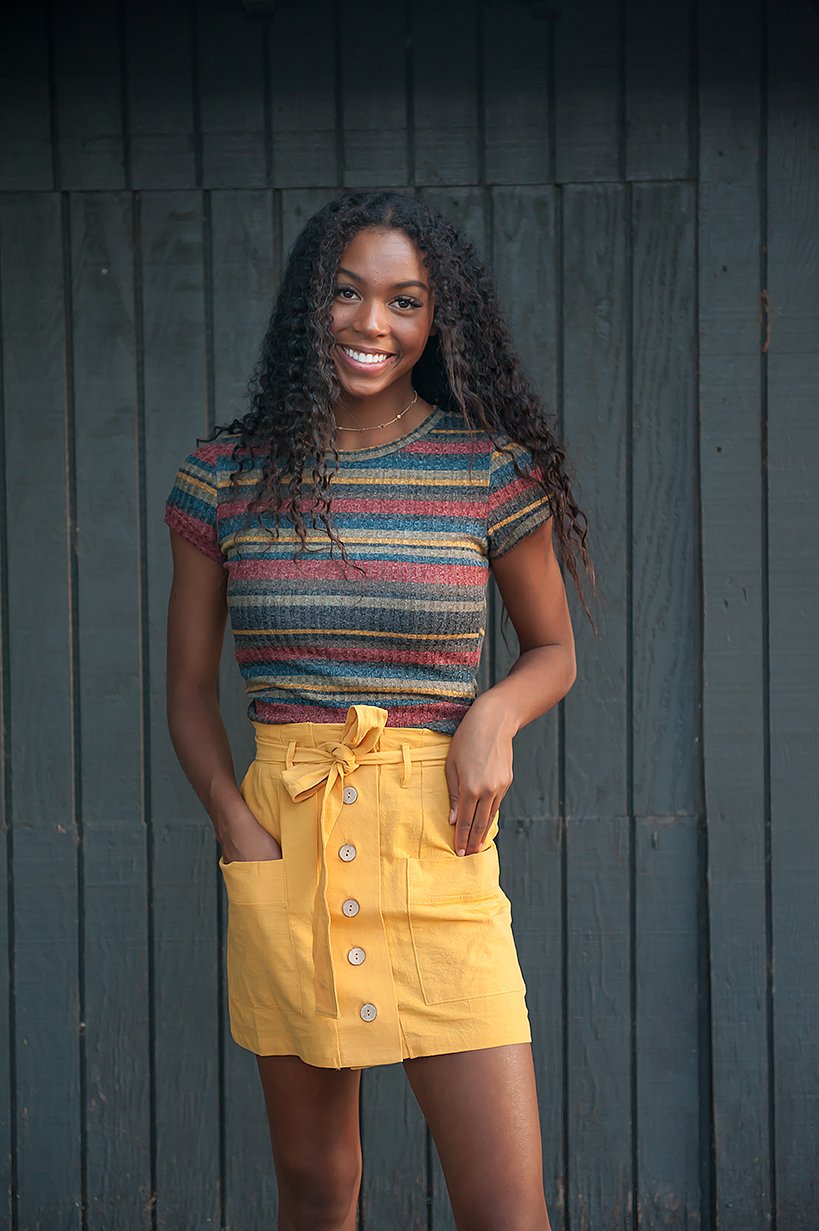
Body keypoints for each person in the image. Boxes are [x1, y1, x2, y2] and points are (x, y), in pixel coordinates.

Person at [164, 190, 592, 1231]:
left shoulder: (488, 471)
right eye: (349, 294)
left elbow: (553, 650)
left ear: (437, 319)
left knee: (505, 1208)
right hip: (288, 845)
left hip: (436, 850)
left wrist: (491, 717)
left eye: (405, 301)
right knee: (318, 1190)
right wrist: (237, 822)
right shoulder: (224, 474)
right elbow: (186, 692)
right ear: (314, 304)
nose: (372, 324)